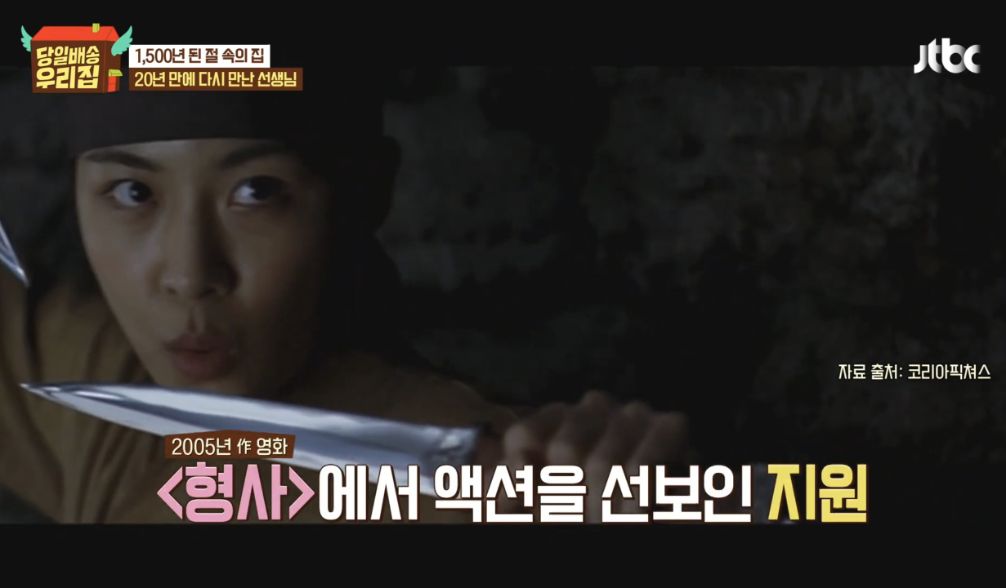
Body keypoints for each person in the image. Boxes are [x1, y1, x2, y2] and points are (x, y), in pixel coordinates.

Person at [0, 74, 690, 523]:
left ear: (364, 192)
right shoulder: (102, 394)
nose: (188, 274)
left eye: (257, 192)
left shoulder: (486, 483)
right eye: (132, 193)